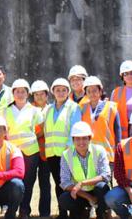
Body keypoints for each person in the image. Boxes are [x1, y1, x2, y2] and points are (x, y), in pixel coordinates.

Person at [5, 78, 45, 219]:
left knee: (28, 182)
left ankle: (24, 210)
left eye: (23, 91)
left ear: (28, 94)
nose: (20, 94)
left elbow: (41, 129)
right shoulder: (6, 111)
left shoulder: (34, 111)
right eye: (17, 91)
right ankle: (12, 209)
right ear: (13, 93)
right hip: (13, 153)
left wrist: (32, 137)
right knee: (14, 182)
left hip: (31, 152)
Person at [43, 78, 82, 219]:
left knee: (69, 183)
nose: (60, 93)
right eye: (57, 90)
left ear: (68, 92)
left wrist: (69, 149)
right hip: (52, 153)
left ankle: (74, 212)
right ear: (53, 92)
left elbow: (75, 129)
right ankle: (62, 212)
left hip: (67, 153)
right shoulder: (48, 109)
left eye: (64, 90)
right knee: (58, 184)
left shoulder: (74, 107)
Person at [57, 121, 111, 219]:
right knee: (64, 199)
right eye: (77, 139)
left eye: (84, 138)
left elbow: (106, 175)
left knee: (101, 187)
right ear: (73, 140)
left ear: (90, 139)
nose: (81, 142)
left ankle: (102, 213)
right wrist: (89, 197)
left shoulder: (99, 151)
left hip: (97, 191)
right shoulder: (66, 155)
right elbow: (65, 182)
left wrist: (82, 183)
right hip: (80, 193)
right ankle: (83, 211)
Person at [80, 76, 121, 168]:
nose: (92, 94)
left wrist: (118, 154)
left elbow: (118, 133)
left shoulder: (111, 107)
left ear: (100, 91)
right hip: (87, 155)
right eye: (88, 91)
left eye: (94, 90)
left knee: (104, 182)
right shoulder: (82, 108)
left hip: (107, 155)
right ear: (85, 93)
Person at [31, 80, 53, 218]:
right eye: (36, 94)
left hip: (47, 152)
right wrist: (42, 130)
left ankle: (44, 213)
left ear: (47, 95)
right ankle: (24, 211)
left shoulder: (52, 109)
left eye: (42, 94)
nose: (39, 97)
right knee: (28, 182)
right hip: (31, 151)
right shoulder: (28, 109)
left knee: (45, 184)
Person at [110, 60, 132, 140]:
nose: (129, 76)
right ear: (122, 76)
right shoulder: (116, 92)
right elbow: (111, 114)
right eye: (126, 74)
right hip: (120, 134)